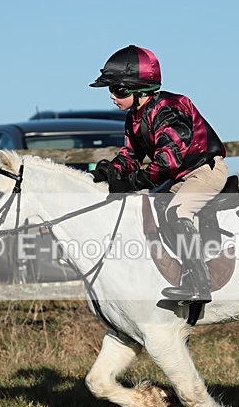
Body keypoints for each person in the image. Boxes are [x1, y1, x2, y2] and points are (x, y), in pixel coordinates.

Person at [89, 45, 228, 305]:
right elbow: (130, 155)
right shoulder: (134, 117)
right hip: (178, 176)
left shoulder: (169, 108)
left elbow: (168, 161)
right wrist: (111, 171)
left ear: (137, 89)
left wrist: (132, 181)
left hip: (203, 171)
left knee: (177, 212)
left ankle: (199, 284)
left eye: (117, 90)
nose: (111, 96)